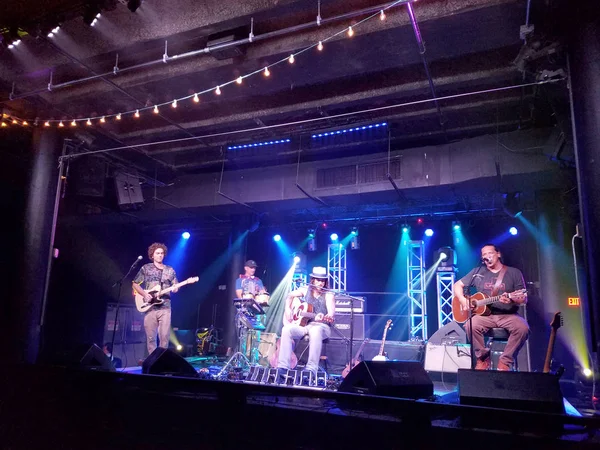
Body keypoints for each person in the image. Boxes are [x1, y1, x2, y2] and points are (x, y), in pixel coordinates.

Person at [453, 243, 528, 371]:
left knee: (523, 328)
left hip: (507, 315)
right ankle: (482, 359)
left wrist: (512, 299)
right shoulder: (477, 272)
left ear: (498, 254)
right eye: (484, 255)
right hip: (485, 315)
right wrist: (463, 300)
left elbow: (523, 299)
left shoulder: (513, 272)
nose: (487, 256)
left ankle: (505, 362)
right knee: (470, 325)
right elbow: (457, 285)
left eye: (490, 253)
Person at [277, 267, 335, 381]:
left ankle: (311, 369)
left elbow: (331, 313)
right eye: (318, 280)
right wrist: (288, 309)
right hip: (305, 326)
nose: (321, 283)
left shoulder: (329, 295)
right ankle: (283, 367)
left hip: (322, 326)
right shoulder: (305, 289)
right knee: (287, 329)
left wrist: (326, 317)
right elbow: (289, 295)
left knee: (315, 330)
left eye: (323, 281)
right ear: (312, 280)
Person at [132, 243, 178, 356]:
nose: (160, 255)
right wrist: (144, 294)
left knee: (164, 337)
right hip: (150, 308)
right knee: (151, 338)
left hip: (165, 307)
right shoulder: (146, 268)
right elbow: (135, 284)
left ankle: (162, 361)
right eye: (157, 253)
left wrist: (176, 287)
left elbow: (175, 285)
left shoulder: (170, 270)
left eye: (162, 253)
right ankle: (153, 361)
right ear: (152, 255)